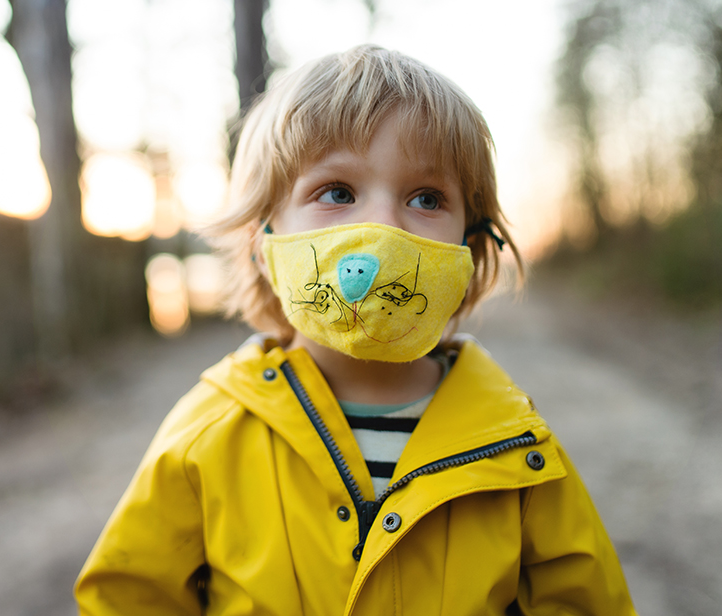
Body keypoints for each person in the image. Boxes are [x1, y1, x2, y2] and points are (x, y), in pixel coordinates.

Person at [75, 45, 637, 615]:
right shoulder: (210, 432)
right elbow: (128, 599)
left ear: (470, 245)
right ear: (263, 241)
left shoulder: (516, 442)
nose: (381, 228)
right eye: (337, 193)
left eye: (426, 198)